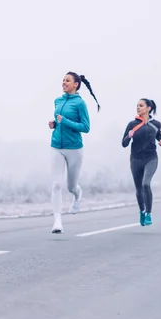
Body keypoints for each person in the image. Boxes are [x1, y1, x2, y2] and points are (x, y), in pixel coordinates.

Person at [48, 71, 100, 233]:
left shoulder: (80, 104)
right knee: (56, 184)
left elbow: (85, 127)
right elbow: (58, 122)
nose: (64, 83)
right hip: (56, 146)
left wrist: (65, 121)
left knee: (70, 186)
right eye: (63, 80)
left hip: (74, 149)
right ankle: (57, 221)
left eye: (67, 81)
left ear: (75, 84)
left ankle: (77, 195)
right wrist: (54, 125)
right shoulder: (58, 100)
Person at [121, 98, 161, 226]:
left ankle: (149, 214)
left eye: (141, 106)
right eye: (137, 106)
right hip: (135, 159)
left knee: (146, 184)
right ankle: (142, 211)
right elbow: (123, 143)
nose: (138, 108)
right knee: (139, 189)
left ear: (148, 108)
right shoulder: (132, 124)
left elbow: (159, 135)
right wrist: (129, 136)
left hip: (151, 158)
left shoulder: (156, 124)